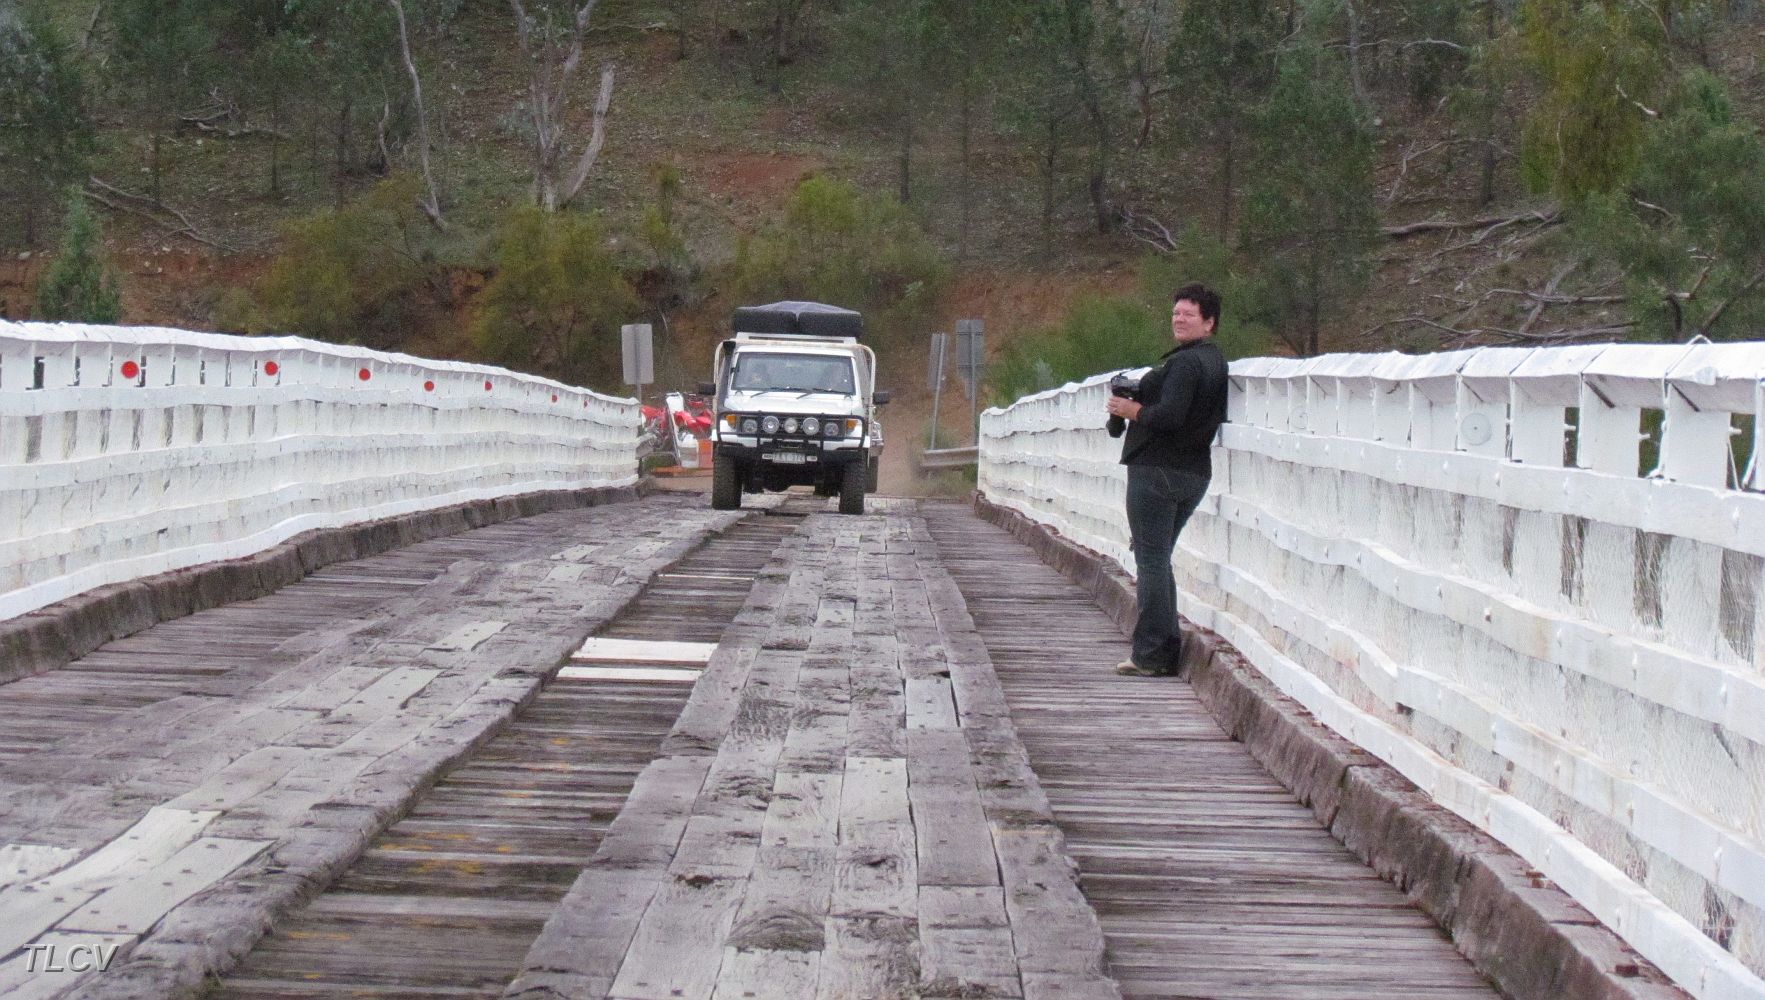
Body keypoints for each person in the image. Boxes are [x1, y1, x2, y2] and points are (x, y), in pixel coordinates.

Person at [1104, 282, 1230, 677]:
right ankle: (1164, 646)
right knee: (1159, 558)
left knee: (1152, 561)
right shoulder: (1214, 361)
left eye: (1189, 314)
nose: (1179, 318)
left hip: (1157, 470)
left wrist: (1131, 408)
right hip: (1193, 473)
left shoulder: (1186, 364)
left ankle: (1153, 653)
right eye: (1176, 312)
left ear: (1209, 323)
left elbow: (1171, 416)